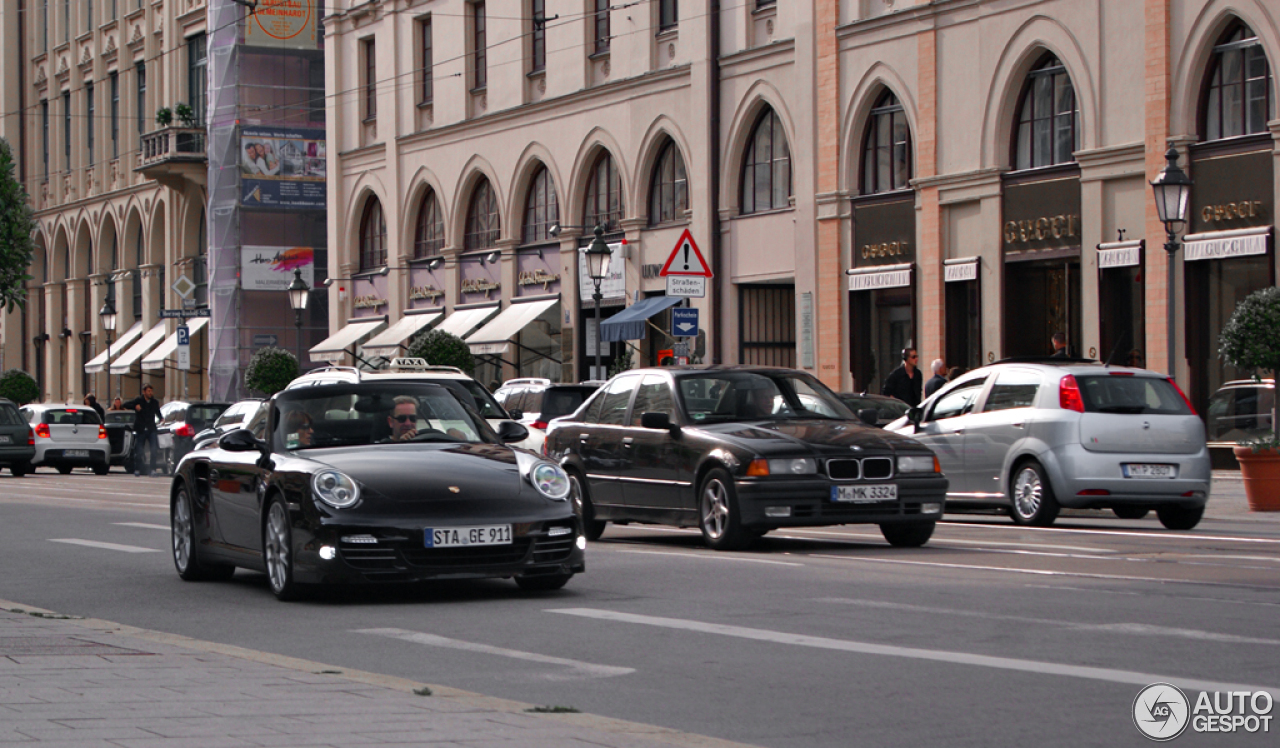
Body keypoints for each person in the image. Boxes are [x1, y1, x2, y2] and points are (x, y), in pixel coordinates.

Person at [123, 384, 163, 476]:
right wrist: (135, 407)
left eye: (151, 391)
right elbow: (125, 404)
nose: (150, 393)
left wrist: (161, 418)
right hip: (140, 429)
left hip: (151, 428)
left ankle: (153, 470)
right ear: (144, 392)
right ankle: (137, 469)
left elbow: (157, 412)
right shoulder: (139, 400)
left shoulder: (154, 402)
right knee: (139, 451)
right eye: (148, 391)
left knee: (153, 449)